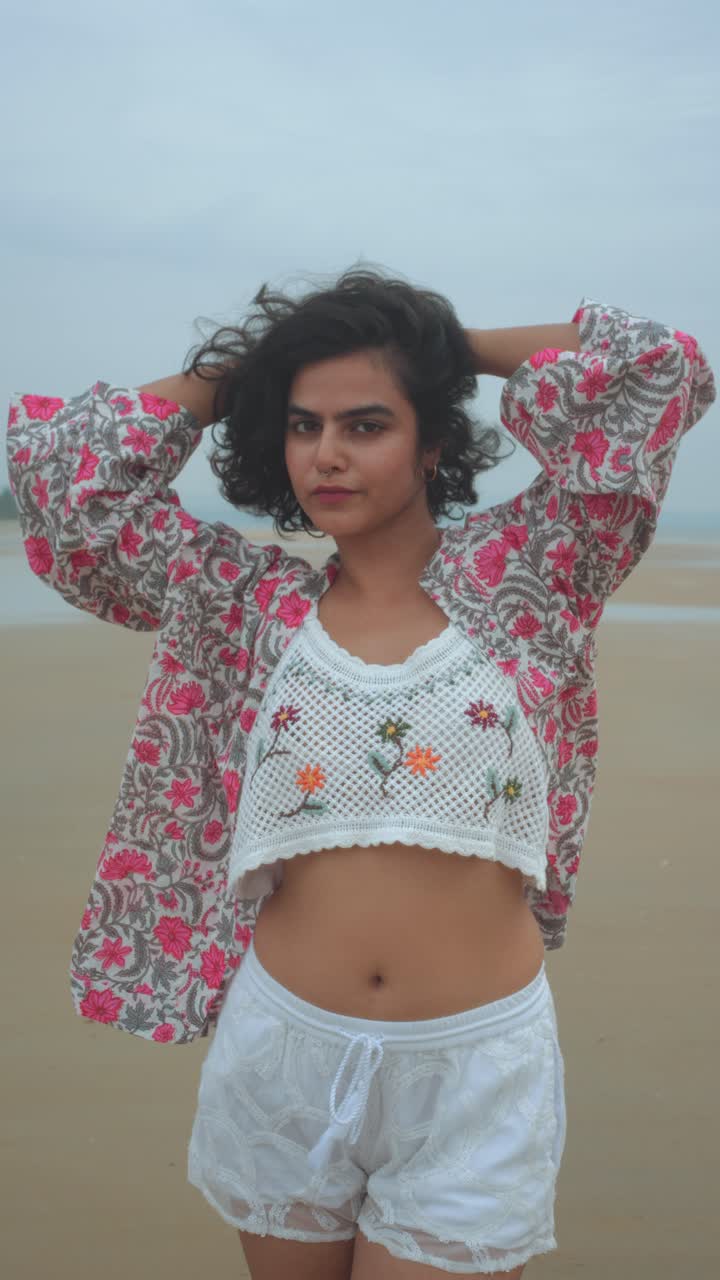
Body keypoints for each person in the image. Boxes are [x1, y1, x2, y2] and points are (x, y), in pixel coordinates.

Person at [7, 266, 716, 1279]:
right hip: (283, 1052)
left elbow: (660, 372)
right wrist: (246, 369)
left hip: (472, 1068)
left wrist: (440, 342)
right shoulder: (242, 602)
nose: (326, 454)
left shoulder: (541, 568)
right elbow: (60, 477)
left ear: (433, 441)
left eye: (367, 423)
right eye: (302, 425)